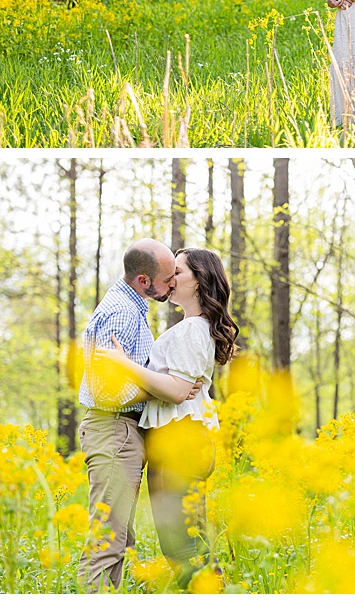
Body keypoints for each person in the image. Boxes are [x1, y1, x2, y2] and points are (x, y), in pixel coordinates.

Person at [93, 248, 241, 582]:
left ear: (200, 281)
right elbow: (175, 387)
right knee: (188, 541)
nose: (170, 280)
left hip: (180, 442)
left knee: (181, 546)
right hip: (184, 440)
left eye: (178, 272)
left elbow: (176, 390)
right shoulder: (193, 326)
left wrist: (123, 365)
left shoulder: (191, 330)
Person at [78, 240, 200, 589]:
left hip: (123, 432)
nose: (172, 283)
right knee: (108, 541)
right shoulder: (120, 313)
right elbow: (107, 390)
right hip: (114, 429)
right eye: (168, 278)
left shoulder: (132, 310)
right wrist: (168, 389)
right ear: (144, 281)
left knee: (120, 539)